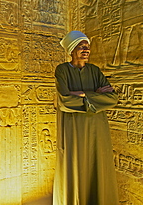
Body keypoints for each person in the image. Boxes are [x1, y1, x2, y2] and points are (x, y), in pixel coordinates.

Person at [53, 31, 119, 204]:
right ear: (72, 50)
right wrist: (95, 96)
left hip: (97, 128)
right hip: (73, 127)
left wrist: (82, 95)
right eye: (82, 46)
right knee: (75, 165)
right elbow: (65, 101)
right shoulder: (62, 70)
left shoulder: (95, 71)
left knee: (97, 164)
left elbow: (113, 98)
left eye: (87, 47)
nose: (86, 50)